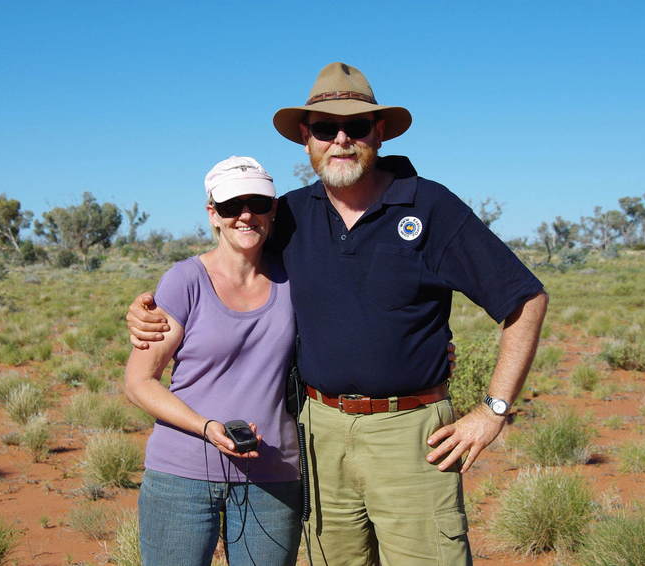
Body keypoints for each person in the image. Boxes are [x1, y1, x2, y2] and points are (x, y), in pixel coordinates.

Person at [128, 62, 548, 566]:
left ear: (381, 132)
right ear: (306, 137)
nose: (341, 139)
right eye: (326, 128)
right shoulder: (291, 214)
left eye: (358, 126)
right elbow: (231, 259)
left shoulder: (429, 207)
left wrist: (492, 411)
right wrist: (146, 308)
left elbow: (525, 299)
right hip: (318, 431)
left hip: (411, 433)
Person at [123, 156, 302, 566]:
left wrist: (428, 353)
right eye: (230, 206)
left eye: (257, 203)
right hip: (182, 473)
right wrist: (206, 428)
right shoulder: (186, 281)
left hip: (272, 473)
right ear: (213, 215)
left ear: (273, 209)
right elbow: (139, 381)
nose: (245, 216)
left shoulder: (295, 280)